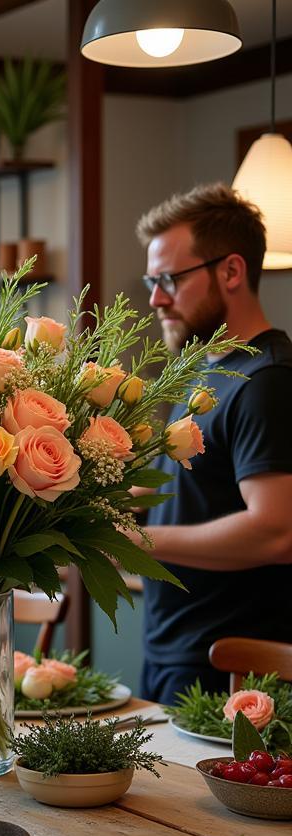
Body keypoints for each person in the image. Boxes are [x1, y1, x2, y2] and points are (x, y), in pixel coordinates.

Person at [133, 183, 292, 705]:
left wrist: (136, 546)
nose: (156, 297)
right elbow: (194, 495)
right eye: (152, 280)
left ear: (230, 271)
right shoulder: (209, 369)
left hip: (228, 670)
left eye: (170, 279)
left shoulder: (266, 380)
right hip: (174, 651)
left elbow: (275, 531)